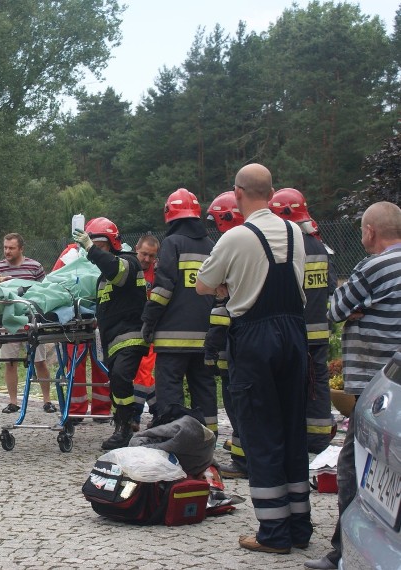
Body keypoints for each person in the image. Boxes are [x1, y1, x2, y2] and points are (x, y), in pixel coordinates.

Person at [197, 163, 312, 554]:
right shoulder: (295, 231)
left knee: (261, 432)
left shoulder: (235, 237)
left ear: (238, 192)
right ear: (272, 191)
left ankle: (273, 534)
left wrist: (230, 282)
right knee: (292, 428)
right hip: (294, 335)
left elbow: (203, 285)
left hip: (255, 335)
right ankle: (299, 527)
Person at [304, 201, 401, 570]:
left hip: (376, 389)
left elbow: (335, 310)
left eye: (362, 229)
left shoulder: (373, 266)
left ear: (371, 231)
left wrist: (357, 305)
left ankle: (345, 550)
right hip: (393, 381)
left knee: (352, 466)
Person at [142, 189, 217, 433]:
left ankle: (172, 435)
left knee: (170, 389)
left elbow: (163, 289)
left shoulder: (172, 243)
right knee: (204, 387)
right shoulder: (212, 245)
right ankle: (208, 436)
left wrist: (148, 321)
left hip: (172, 337)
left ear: (170, 215)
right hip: (206, 336)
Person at [269, 188, 336, 454]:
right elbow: (330, 285)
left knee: (291, 383)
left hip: (296, 330)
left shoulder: (291, 244)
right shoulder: (319, 245)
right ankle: (319, 437)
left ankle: (293, 436)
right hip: (319, 329)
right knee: (318, 381)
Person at [72, 217, 148, 450]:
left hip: (131, 337)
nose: (95, 250)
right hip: (113, 340)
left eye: (101, 245)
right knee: (117, 381)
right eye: (93, 244)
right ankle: (123, 423)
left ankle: (124, 428)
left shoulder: (128, 262)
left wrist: (91, 248)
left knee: (121, 378)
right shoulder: (102, 278)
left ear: (113, 243)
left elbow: (117, 272)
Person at [203, 190, 248, 478]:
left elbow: (207, 285)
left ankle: (244, 462)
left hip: (236, 342)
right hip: (256, 338)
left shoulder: (231, 244)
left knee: (236, 401)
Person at [0, 233, 56, 414]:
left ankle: (47, 400)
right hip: (8, 322)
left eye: (11, 248)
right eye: (5, 247)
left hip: (31, 321)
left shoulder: (35, 267)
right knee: (9, 361)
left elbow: (45, 291)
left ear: (21, 249)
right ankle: (13, 402)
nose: (7, 251)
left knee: (39, 361)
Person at [52, 227, 111, 423]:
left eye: (104, 245)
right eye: (98, 244)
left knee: (101, 364)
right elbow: (54, 281)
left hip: (102, 318)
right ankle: (76, 408)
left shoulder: (114, 258)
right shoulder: (70, 254)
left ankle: (102, 409)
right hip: (74, 318)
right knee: (74, 365)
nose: (100, 249)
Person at [132, 234, 160, 430]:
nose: (147, 260)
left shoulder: (158, 273)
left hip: (151, 329)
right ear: (136, 249)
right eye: (144, 254)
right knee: (140, 373)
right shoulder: (127, 268)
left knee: (143, 371)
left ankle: (134, 415)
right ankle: (160, 411)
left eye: (151, 256)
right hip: (131, 328)